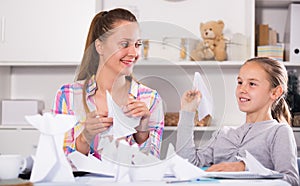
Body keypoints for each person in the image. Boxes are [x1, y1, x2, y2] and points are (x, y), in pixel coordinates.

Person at [51, 8, 164, 159]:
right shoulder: (68, 96)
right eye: (124, 44)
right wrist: (85, 138)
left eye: (137, 44)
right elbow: (58, 162)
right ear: (100, 46)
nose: (134, 53)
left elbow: (150, 164)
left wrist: (142, 131)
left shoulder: (149, 99)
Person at [176, 57, 299, 186]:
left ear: (275, 92)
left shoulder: (279, 132)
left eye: (252, 84)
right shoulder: (223, 134)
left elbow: (292, 181)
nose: (242, 89)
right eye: (240, 82)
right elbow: (187, 165)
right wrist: (187, 112)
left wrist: (245, 168)